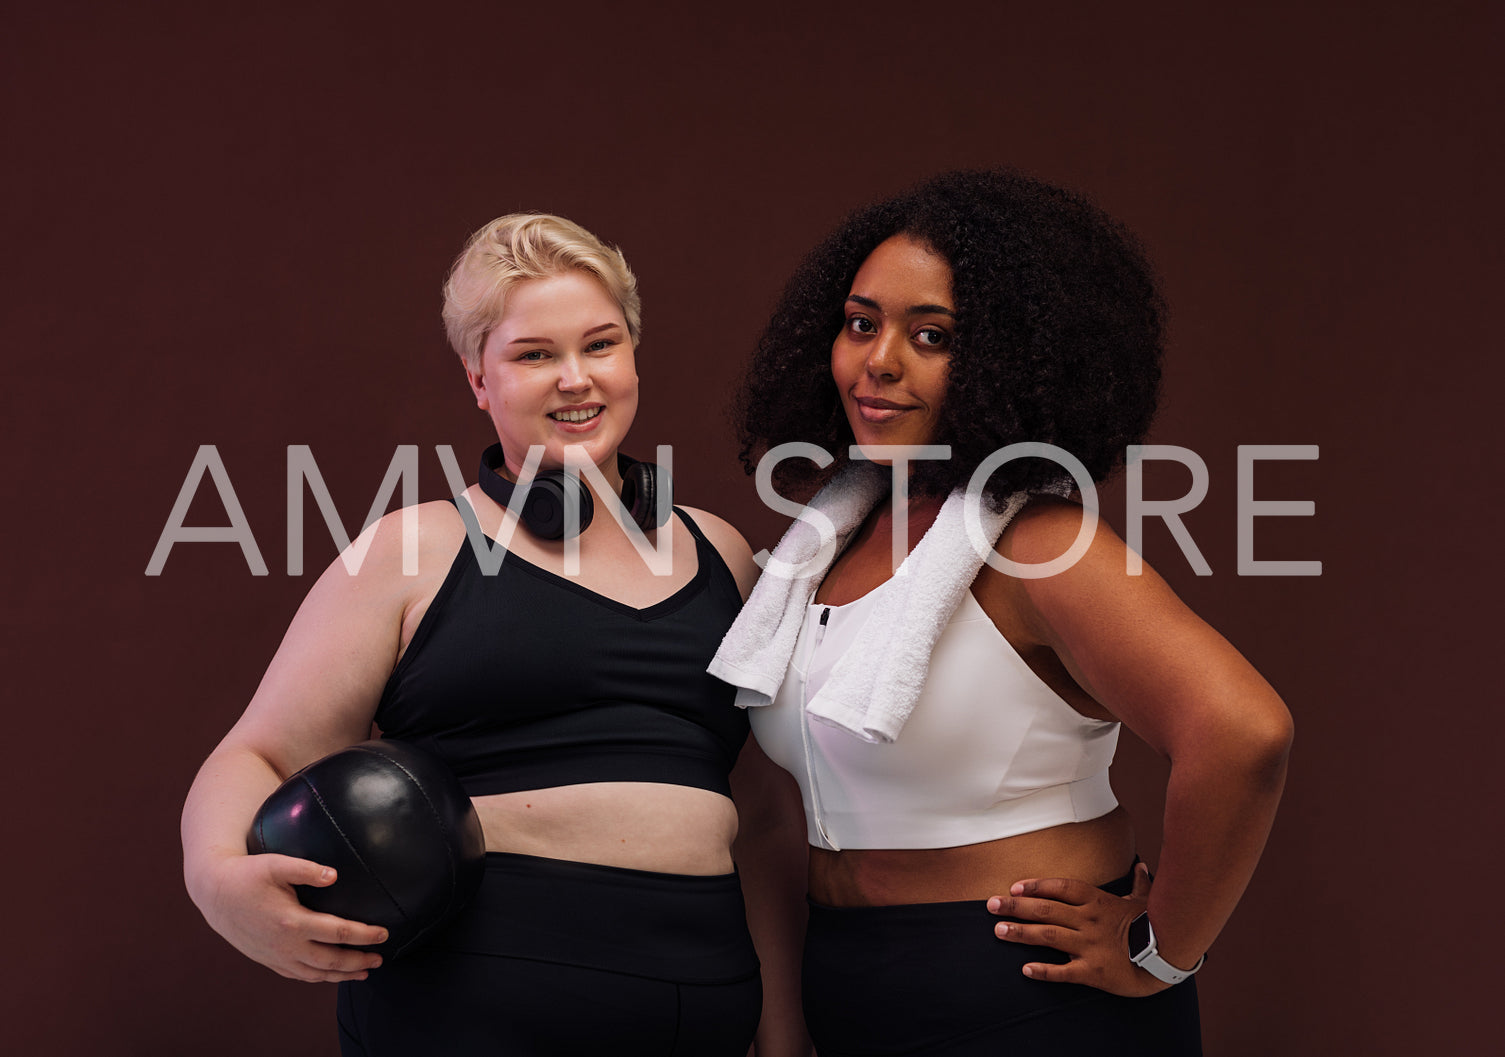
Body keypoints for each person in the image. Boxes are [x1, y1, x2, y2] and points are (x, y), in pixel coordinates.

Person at [181, 213, 795, 1056]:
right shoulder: (409, 551)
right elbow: (258, 754)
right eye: (533, 354)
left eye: (600, 344)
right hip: (470, 1012)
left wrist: (786, 1026)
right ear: (479, 378)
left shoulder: (723, 552)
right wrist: (218, 880)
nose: (575, 379)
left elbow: (759, 811)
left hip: (703, 1010)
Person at [710, 169, 1294, 1056]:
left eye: (931, 335)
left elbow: (1244, 732)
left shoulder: (1039, 544)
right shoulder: (828, 538)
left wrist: (1163, 951)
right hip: (848, 977)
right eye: (861, 323)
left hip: (1023, 994)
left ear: (1010, 360)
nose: (879, 361)